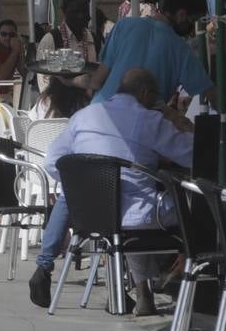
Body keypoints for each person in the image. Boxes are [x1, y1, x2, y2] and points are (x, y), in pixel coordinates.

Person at [29, 68, 193, 316]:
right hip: (139, 216)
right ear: (146, 94)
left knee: (100, 208)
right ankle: (188, 276)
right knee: (186, 204)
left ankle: (143, 293)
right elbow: (190, 155)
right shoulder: (148, 119)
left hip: (91, 217)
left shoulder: (84, 116)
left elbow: (53, 160)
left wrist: (82, 184)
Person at [87, 0, 214, 110]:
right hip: (139, 125)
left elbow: (96, 82)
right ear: (181, 15)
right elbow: (212, 95)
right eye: (193, 21)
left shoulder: (123, 25)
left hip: (98, 115)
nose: (192, 28)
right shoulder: (182, 51)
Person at [36, 0, 98, 116]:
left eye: (84, 10)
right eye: (76, 11)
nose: (82, 16)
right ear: (64, 11)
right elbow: (44, 82)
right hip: (57, 111)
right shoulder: (51, 40)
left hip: (89, 109)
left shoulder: (94, 40)